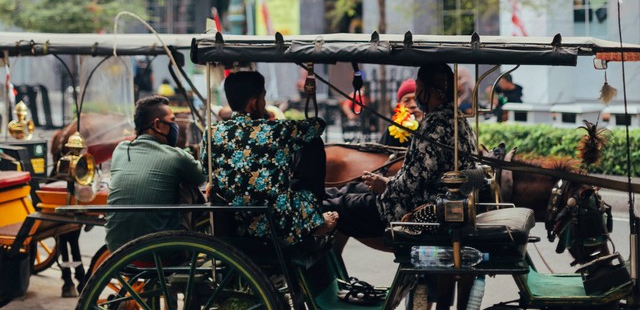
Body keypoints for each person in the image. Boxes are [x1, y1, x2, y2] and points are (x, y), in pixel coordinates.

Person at [324, 63, 477, 308]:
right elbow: (419, 175)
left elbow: (413, 182)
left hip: (410, 211)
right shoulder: (457, 121)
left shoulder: (437, 125)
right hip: (424, 202)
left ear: (432, 92)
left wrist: (385, 186)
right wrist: (386, 182)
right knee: (347, 191)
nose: (416, 96)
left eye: (419, 89)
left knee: (335, 204)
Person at [201, 71, 338, 246]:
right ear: (253, 103)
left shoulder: (211, 132)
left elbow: (206, 170)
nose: (265, 103)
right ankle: (314, 219)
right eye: (263, 97)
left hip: (232, 219)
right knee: (314, 143)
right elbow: (318, 126)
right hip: (275, 224)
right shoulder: (277, 130)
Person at [105, 95, 206, 252]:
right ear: (157, 125)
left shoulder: (121, 149)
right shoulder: (177, 156)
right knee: (189, 185)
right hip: (162, 251)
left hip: (117, 251)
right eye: (172, 121)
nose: (175, 126)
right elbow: (201, 177)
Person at [379, 78, 423, 147]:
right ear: (399, 104)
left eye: (416, 99)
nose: (413, 105)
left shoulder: (433, 126)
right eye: (407, 100)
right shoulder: (392, 129)